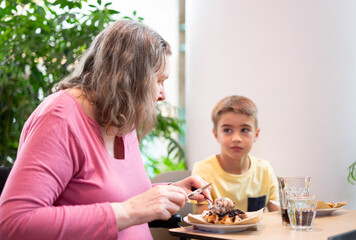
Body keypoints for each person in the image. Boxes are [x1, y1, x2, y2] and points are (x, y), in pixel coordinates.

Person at [0, 20, 211, 240]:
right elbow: (14, 223)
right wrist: (132, 210)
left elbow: (115, 198)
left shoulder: (119, 116)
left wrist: (169, 192)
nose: (163, 94)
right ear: (130, 78)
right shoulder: (59, 118)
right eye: (159, 81)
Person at [192, 95, 279, 213]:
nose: (236, 138)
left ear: (256, 134)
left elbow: (277, 217)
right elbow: (205, 219)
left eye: (245, 130)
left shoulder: (265, 170)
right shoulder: (203, 170)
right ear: (216, 134)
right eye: (227, 130)